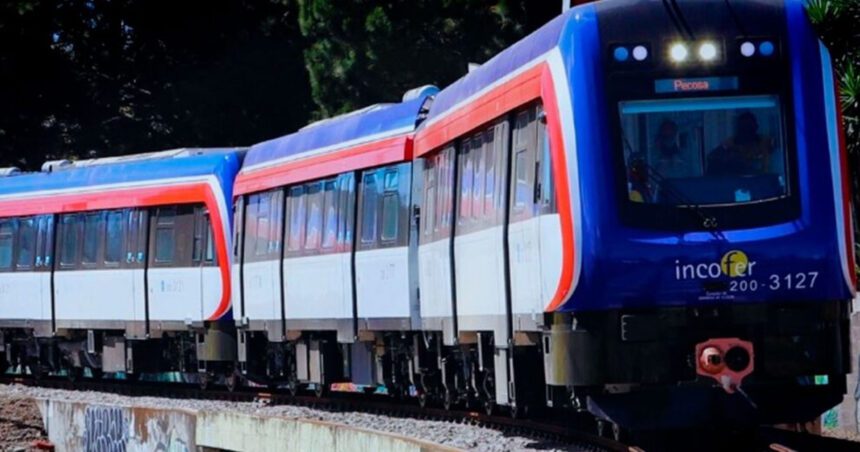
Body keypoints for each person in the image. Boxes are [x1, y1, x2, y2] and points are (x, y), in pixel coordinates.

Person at [707, 111, 774, 176]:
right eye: (744, 128)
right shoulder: (729, 144)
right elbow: (711, 157)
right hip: (737, 181)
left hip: (763, 181)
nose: (747, 132)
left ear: (756, 127)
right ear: (738, 129)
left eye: (750, 127)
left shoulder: (765, 142)